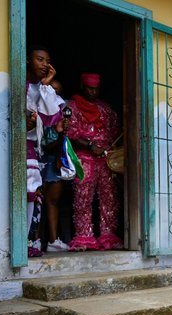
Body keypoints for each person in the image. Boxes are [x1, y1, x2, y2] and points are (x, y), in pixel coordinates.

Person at [67, 73, 122, 251]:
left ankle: (108, 236)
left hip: (106, 159)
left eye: (96, 88)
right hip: (84, 158)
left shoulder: (105, 109)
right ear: (83, 87)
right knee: (83, 198)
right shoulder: (72, 106)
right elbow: (69, 132)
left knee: (109, 198)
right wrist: (90, 145)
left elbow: (115, 130)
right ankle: (84, 236)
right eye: (90, 88)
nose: (93, 92)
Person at [25, 46, 65, 257]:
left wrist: (47, 84)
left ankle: (31, 241)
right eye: (39, 59)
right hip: (20, 145)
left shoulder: (41, 88)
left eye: (47, 60)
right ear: (28, 60)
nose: (44, 64)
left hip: (33, 148)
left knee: (34, 193)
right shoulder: (21, 86)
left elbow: (53, 117)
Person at [39, 79, 70, 252]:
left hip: (55, 160)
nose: (55, 94)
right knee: (36, 200)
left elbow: (61, 143)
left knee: (53, 201)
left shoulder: (63, 115)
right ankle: (34, 240)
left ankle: (52, 240)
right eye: (51, 91)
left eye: (58, 91)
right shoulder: (39, 113)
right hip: (39, 158)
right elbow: (44, 144)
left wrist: (62, 131)